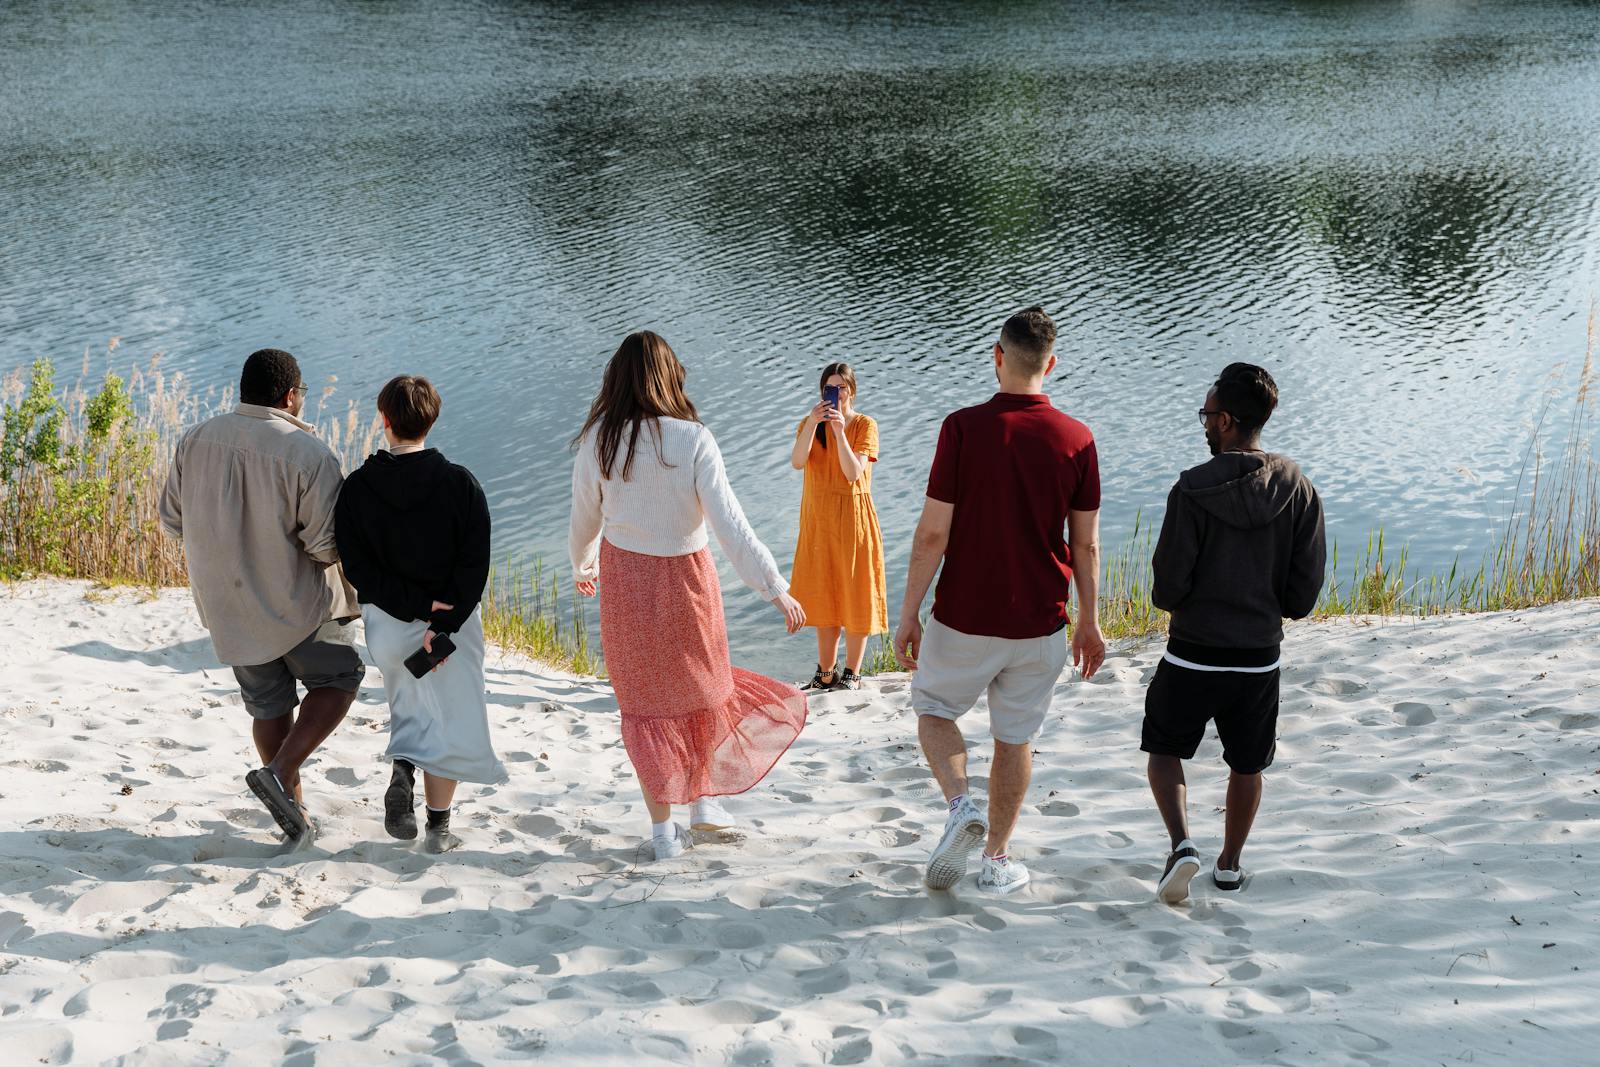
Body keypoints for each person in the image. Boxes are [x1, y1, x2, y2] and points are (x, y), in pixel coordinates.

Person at [568, 330, 809, 861]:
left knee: (645, 706)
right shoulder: (693, 438)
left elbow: (583, 517)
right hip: (687, 581)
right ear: (670, 376)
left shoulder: (599, 440)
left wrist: (581, 565)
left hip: (626, 581)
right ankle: (703, 802)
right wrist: (774, 588)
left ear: (617, 379)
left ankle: (663, 833)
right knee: (705, 690)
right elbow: (732, 526)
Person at [894, 307, 1105, 895]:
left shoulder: (961, 428)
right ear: (1051, 365)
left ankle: (961, 808)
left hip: (965, 614)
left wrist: (908, 611)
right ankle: (994, 861)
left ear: (997, 357)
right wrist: (1089, 622)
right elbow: (1084, 545)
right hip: (1040, 622)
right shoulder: (1078, 439)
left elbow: (933, 533)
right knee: (1014, 738)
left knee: (935, 710)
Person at [159, 348, 364, 841]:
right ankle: (278, 775)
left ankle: (293, 812)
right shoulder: (308, 452)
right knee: (340, 677)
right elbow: (324, 545)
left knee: (269, 705)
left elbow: (171, 520)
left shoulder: (196, 439)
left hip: (227, 605)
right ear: (291, 396)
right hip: (294, 605)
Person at [1144, 363, 1325, 903]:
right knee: (1248, 763)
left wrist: (1182, 599)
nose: (1203, 423)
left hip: (1193, 654)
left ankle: (1181, 846)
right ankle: (1229, 864)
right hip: (1257, 659)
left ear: (1224, 421)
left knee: (1163, 748)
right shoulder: (1298, 486)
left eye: (1205, 415)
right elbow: (1303, 595)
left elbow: (1167, 586)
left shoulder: (1191, 488)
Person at [334, 375, 506, 855]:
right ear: (433, 419)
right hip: (448, 634)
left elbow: (359, 571)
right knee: (449, 721)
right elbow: (475, 566)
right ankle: (437, 828)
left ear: (384, 421)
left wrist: (411, 606)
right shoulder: (460, 484)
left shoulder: (357, 488)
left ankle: (404, 767)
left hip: (388, 629)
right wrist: (440, 621)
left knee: (410, 708)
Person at [787, 362, 888, 692]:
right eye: (830, 389)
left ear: (852, 390)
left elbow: (852, 473)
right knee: (824, 593)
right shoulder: (810, 424)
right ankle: (825, 672)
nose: (836, 394)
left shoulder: (864, 425)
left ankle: (853, 673)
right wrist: (814, 424)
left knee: (855, 593)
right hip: (819, 520)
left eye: (841, 388)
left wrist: (839, 432)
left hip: (853, 521)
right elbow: (797, 461)